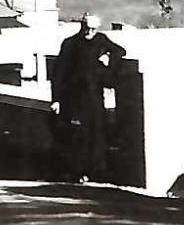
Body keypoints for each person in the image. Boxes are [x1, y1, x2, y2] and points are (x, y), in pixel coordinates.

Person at [51, 13, 128, 184]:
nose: (89, 31)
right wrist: (56, 99)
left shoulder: (101, 40)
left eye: (93, 28)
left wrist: (107, 58)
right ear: (82, 25)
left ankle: (96, 171)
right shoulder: (70, 44)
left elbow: (120, 51)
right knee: (79, 135)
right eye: (87, 27)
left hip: (94, 96)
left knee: (97, 134)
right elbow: (59, 73)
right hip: (74, 98)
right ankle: (78, 171)